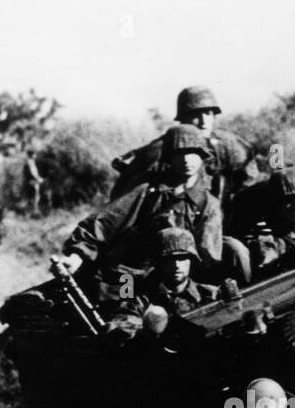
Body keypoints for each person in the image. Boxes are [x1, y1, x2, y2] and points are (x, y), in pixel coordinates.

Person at [55, 124, 225, 309]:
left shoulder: (209, 204)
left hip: (176, 279)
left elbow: (209, 256)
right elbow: (104, 221)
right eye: (180, 153)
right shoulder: (148, 192)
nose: (186, 159)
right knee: (123, 309)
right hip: (133, 274)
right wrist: (77, 255)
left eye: (193, 152)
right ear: (169, 157)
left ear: (202, 157)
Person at [110, 86, 256, 215]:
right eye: (196, 115)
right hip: (172, 220)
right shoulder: (159, 149)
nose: (203, 120)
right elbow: (124, 194)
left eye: (208, 113)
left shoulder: (229, 145)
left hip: (218, 219)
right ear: (183, 118)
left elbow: (249, 183)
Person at [22, 151, 45, 217]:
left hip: (30, 180)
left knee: (33, 196)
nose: (36, 155)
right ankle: (35, 211)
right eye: (34, 154)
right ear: (32, 155)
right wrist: (39, 179)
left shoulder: (29, 162)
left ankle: (32, 211)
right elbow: (33, 173)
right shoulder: (30, 162)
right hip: (33, 181)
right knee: (36, 195)